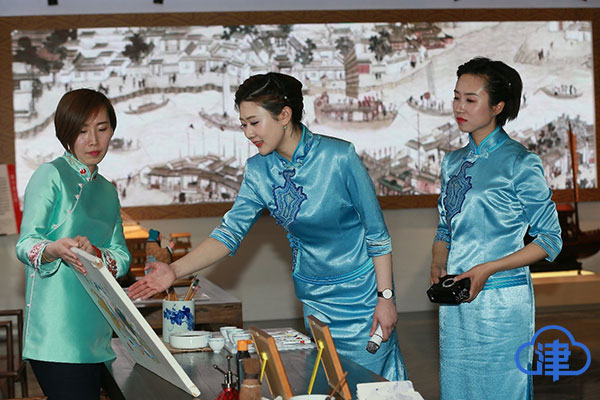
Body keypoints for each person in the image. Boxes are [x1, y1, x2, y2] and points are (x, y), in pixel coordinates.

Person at [128, 72, 407, 380]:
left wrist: (385, 298)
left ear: (284, 115)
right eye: (243, 124)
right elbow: (228, 234)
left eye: (254, 122)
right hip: (315, 298)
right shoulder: (258, 171)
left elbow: (377, 235)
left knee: (371, 385)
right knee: (329, 383)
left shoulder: (339, 157)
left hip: (363, 295)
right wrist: (174, 270)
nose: (248, 133)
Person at [430, 57, 562, 399]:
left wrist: (487, 269)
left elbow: (550, 239)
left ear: (498, 106)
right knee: (458, 389)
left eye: (470, 99)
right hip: (457, 302)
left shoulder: (520, 161)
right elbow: (445, 227)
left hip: (502, 303)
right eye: (456, 97)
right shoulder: (452, 162)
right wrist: (438, 259)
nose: (459, 107)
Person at [16, 88, 131, 400]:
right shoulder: (50, 175)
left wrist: (96, 253)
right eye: (82, 131)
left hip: (98, 333)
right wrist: (55, 249)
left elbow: (121, 257)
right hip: (56, 335)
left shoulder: (107, 190)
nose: (93, 141)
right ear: (66, 133)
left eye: (102, 129)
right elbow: (25, 244)